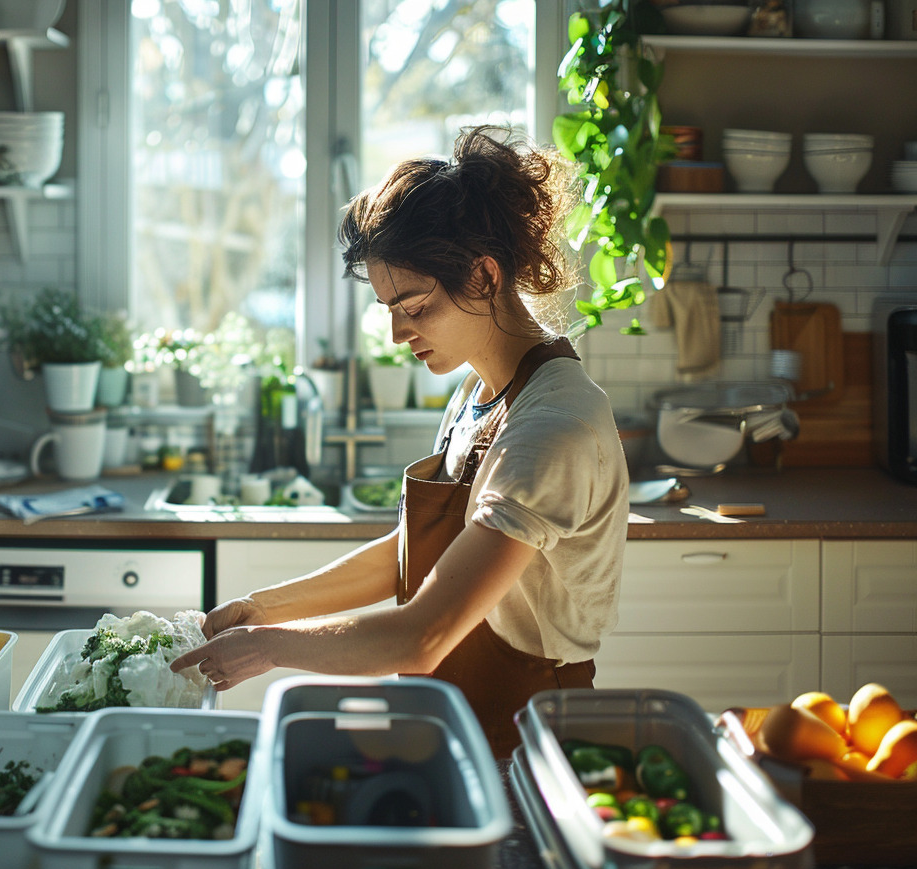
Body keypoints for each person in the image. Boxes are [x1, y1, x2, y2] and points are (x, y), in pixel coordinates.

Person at [170, 125, 630, 756]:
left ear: (485, 276)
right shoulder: (479, 395)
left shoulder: (552, 427)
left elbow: (426, 633)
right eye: (388, 307)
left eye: (414, 307)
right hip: (448, 720)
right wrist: (260, 610)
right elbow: (405, 558)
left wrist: (268, 650)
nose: (396, 333)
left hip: (524, 742)